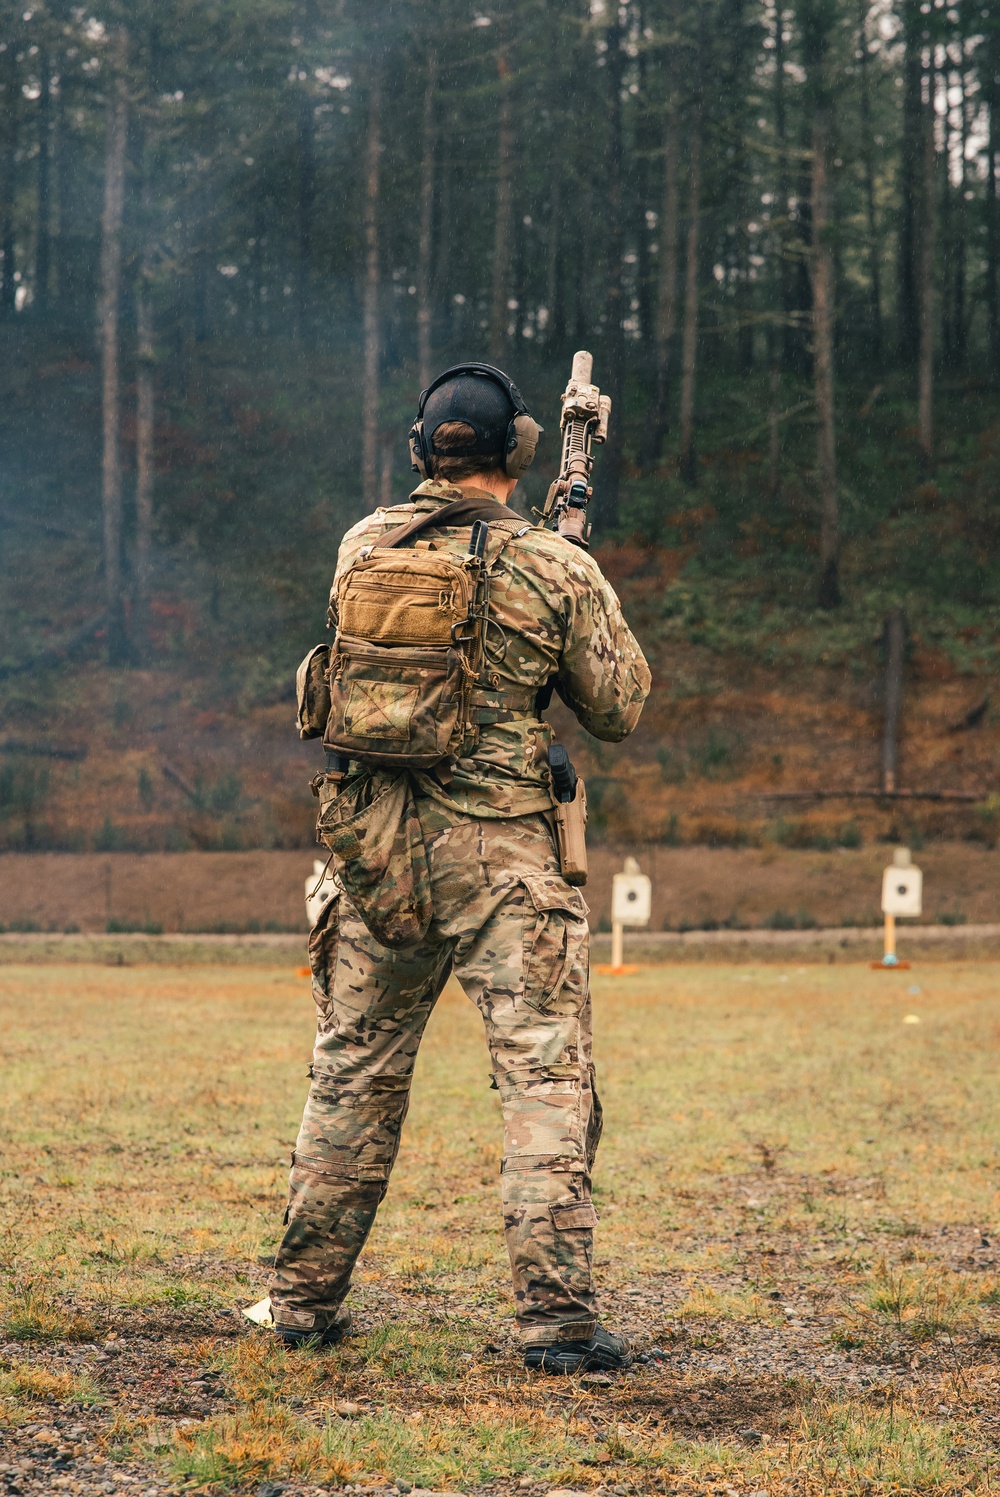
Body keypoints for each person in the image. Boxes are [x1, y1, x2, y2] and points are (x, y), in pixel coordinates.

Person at [269, 363, 650, 1373]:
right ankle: (557, 1323)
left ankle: (299, 1301)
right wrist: (571, 570)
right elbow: (617, 706)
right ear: (518, 456)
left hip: (370, 852)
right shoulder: (553, 567)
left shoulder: (363, 544)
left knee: (350, 1073)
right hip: (503, 864)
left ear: (418, 450)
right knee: (542, 1081)